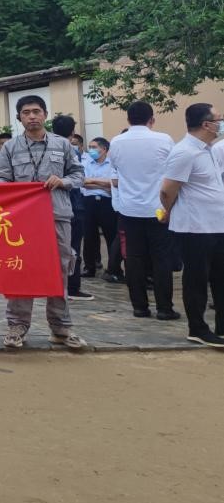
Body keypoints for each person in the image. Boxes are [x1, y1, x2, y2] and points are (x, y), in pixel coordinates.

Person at [0, 95, 86, 350]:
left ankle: (61, 327)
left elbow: (78, 174)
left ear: (45, 114)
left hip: (57, 215)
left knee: (59, 268)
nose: (32, 116)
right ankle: (17, 326)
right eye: (26, 112)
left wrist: (63, 181)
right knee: (20, 269)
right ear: (19, 118)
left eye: (36, 111)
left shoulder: (62, 145)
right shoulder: (10, 148)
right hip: (22, 220)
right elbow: (1, 178)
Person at [159, 103, 224, 347]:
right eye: (218, 119)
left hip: (217, 225)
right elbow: (167, 190)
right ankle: (197, 328)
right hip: (195, 227)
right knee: (197, 279)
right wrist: (168, 212)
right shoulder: (184, 152)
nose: (221, 123)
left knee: (220, 277)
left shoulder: (209, 150)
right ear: (206, 124)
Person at [108, 101, 178, 317]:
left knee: (133, 260)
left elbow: (116, 177)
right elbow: (172, 174)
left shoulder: (116, 142)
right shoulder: (164, 140)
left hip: (129, 210)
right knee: (161, 260)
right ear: (152, 119)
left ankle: (139, 307)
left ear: (128, 119)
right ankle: (165, 309)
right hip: (159, 210)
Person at [51, 115, 93, 301]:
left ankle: (55, 285)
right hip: (72, 205)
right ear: (73, 132)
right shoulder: (71, 149)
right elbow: (79, 177)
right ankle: (73, 287)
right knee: (73, 247)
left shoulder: (48, 147)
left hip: (52, 206)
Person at [80, 137, 121, 281]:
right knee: (89, 236)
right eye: (90, 147)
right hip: (89, 202)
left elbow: (113, 184)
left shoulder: (112, 164)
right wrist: (103, 184)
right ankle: (89, 267)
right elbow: (82, 182)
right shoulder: (85, 163)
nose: (91, 150)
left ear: (104, 149)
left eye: (94, 147)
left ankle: (114, 269)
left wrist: (92, 181)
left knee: (111, 236)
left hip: (107, 203)